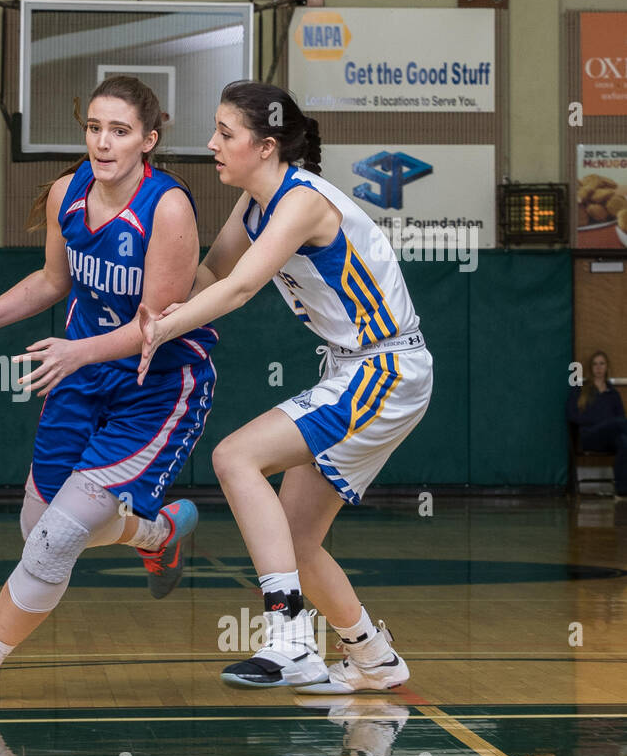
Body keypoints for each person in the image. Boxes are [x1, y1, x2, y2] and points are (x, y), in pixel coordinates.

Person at [138, 80, 433, 694]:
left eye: (226, 133)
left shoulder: (300, 202)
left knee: (234, 456)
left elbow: (239, 289)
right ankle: (373, 657)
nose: (212, 143)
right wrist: (144, 281)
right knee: (295, 541)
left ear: (266, 146)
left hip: (385, 369)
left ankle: (291, 638)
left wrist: (160, 330)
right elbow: (211, 272)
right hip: (354, 368)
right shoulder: (253, 205)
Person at [0, 75, 217, 704]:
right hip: (82, 374)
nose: (103, 141)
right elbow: (50, 281)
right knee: (38, 527)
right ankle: (157, 534)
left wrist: (75, 351)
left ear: (149, 139)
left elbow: (155, 325)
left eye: (119, 130)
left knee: (60, 537)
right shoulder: (69, 192)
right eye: (94, 127)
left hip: (156, 385)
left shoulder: (167, 207)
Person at [566, 350, 627, 498]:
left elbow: (620, 419)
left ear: (607, 367)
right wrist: (597, 420)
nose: (598, 368)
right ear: (590, 367)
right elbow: (572, 415)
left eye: (602, 364)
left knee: (625, 441)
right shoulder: (580, 390)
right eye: (595, 364)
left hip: (609, 437)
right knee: (618, 423)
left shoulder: (613, 394)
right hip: (589, 436)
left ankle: (623, 491)